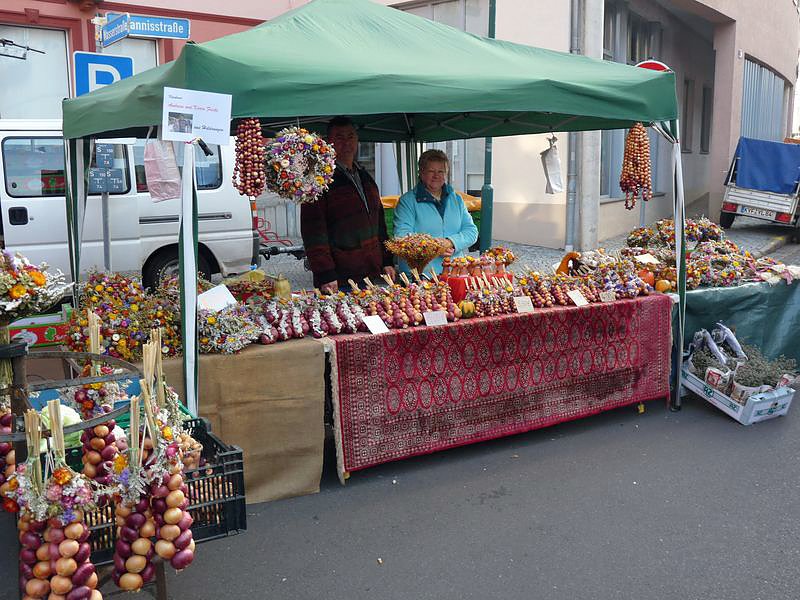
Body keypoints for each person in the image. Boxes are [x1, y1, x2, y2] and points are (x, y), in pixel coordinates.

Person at [300, 116, 395, 293]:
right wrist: (325, 273)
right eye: (339, 137)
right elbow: (313, 232)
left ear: (357, 140)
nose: (346, 143)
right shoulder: (319, 181)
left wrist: (387, 260)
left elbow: (379, 223)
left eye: (350, 137)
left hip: (371, 272)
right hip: (340, 277)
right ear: (329, 142)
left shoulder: (365, 177)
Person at [392, 149, 478, 275]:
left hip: (455, 273)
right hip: (420, 276)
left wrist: (451, 242)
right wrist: (435, 247)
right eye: (431, 171)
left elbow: (471, 232)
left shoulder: (456, 199)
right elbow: (401, 237)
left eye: (441, 171)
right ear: (421, 173)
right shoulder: (407, 201)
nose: (436, 175)